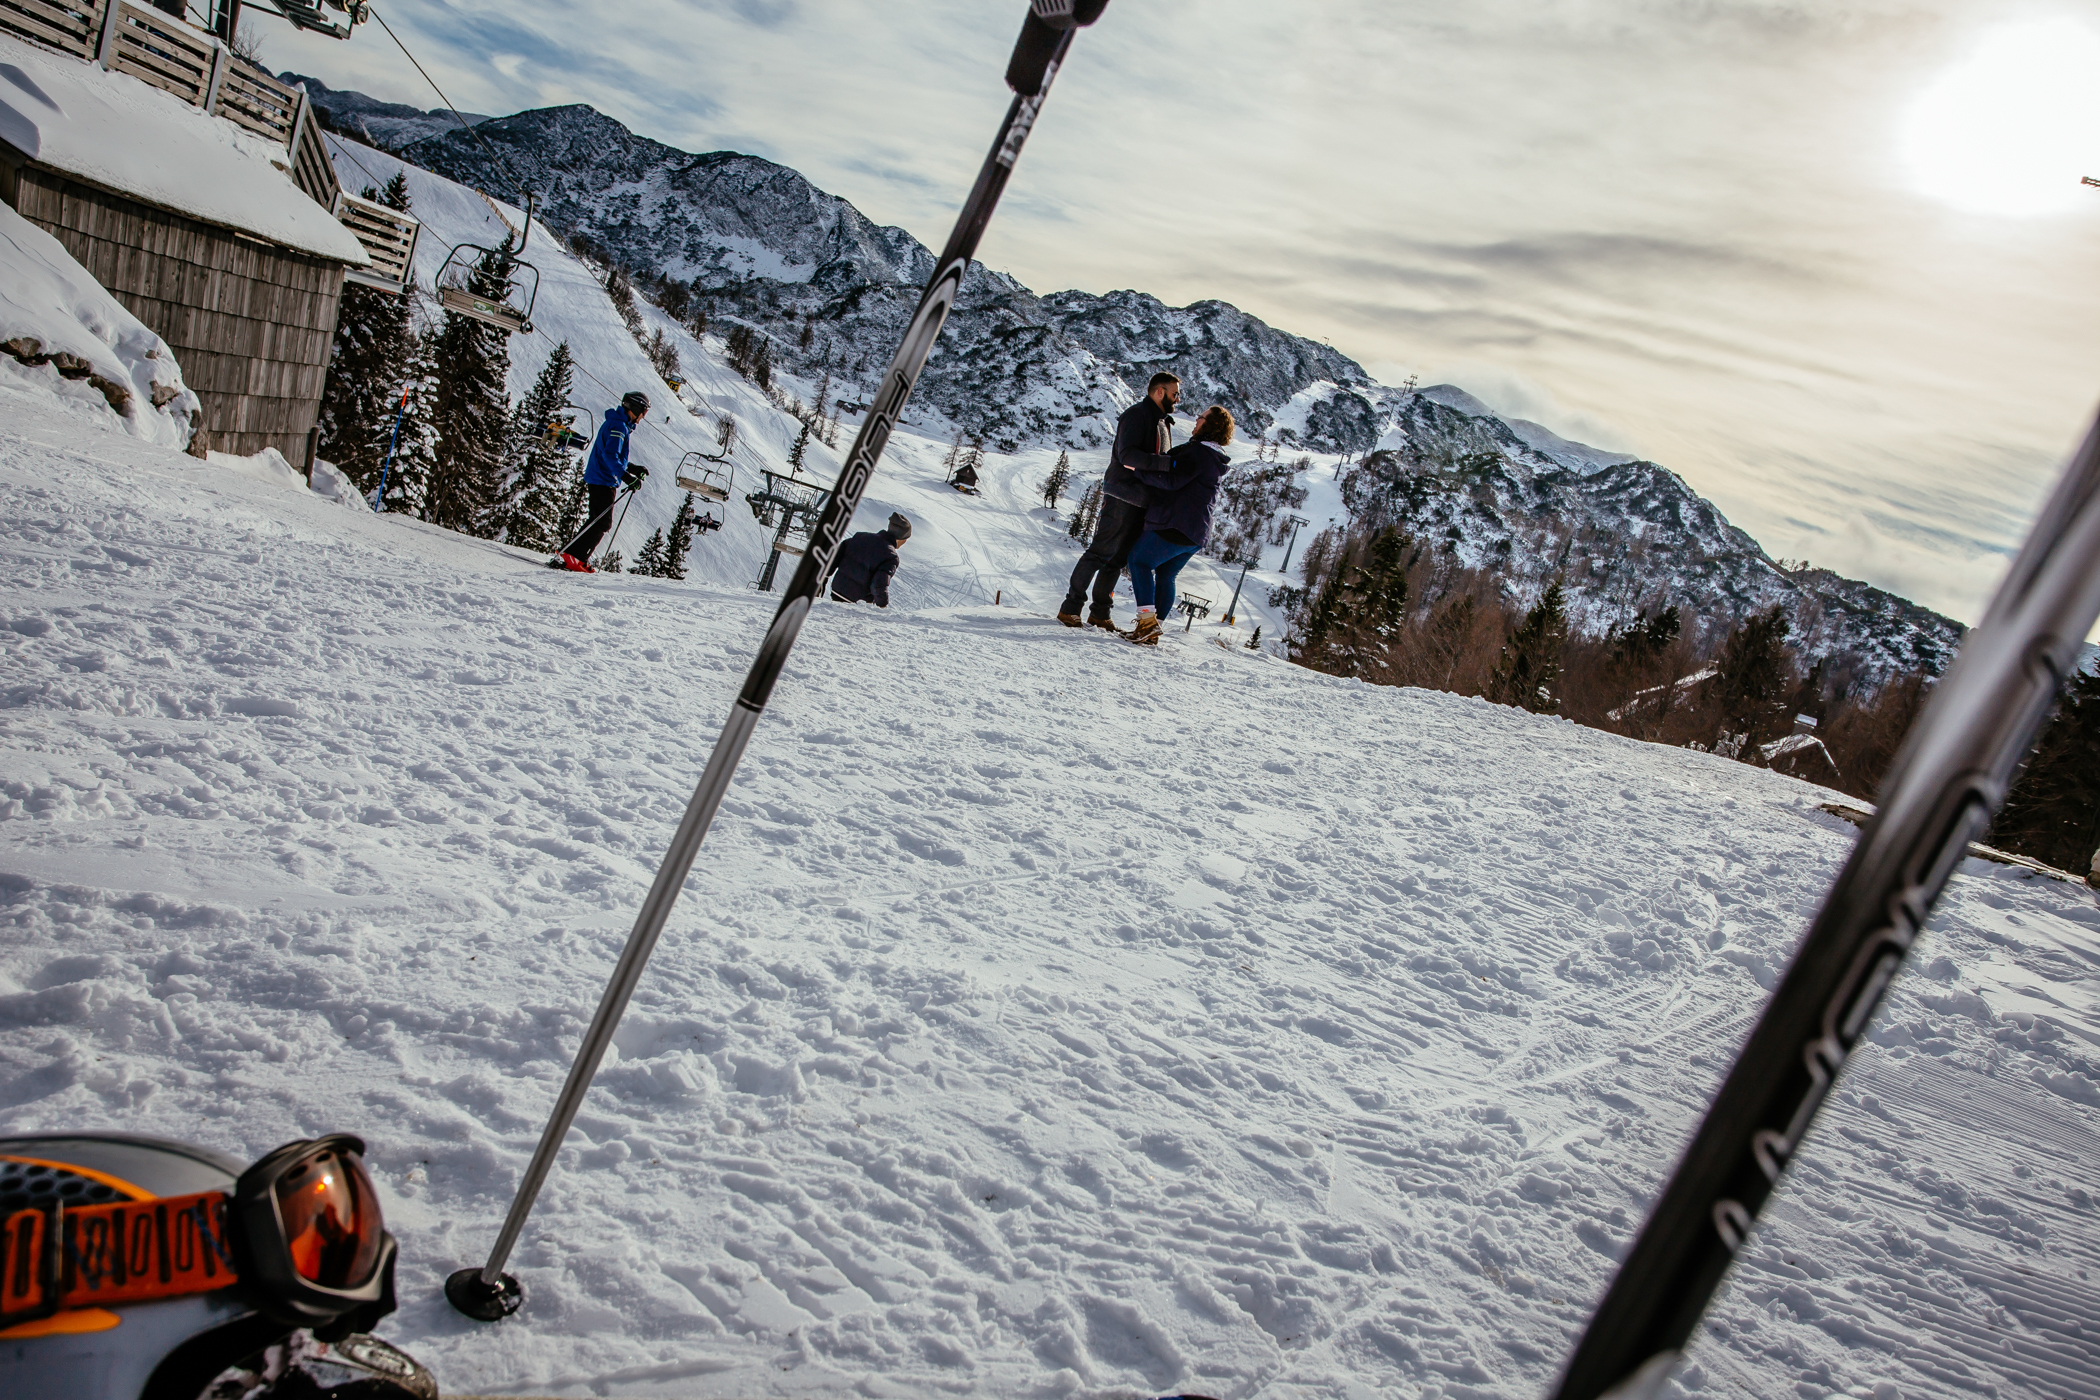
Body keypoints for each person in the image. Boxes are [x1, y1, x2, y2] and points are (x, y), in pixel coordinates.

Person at [1058, 372, 1180, 630]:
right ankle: (1070, 608)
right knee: (1100, 552)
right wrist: (1166, 464)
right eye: (1174, 393)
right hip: (1122, 495)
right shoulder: (1137, 415)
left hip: (1142, 501)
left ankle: (1100, 613)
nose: (1177, 398)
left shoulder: (1162, 422)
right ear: (1159, 391)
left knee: (1117, 560)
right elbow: (1127, 455)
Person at [1125, 405, 1234, 646]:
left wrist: (1138, 471)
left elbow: (1172, 480)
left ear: (1211, 425)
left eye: (1201, 417)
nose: (1196, 421)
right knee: (1166, 574)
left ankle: (1147, 624)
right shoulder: (1214, 458)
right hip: (1196, 533)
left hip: (1176, 523)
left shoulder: (1199, 453)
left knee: (1139, 561)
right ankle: (1153, 628)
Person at [556, 391, 650, 571]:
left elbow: (613, 455)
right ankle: (575, 557)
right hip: (603, 478)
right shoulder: (619, 427)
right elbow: (609, 456)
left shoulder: (618, 424)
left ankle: (572, 555)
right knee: (602, 522)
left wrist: (632, 468)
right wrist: (626, 477)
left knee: (597, 519)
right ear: (636, 408)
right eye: (643, 412)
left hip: (601, 476)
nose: (642, 417)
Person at [828, 511, 911, 607]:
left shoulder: (860, 537)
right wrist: (882, 605)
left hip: (836, 591)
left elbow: (836, 557)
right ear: (901, 538)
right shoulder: (891, 556)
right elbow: (879, 584)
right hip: (858, 602)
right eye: (905, 540)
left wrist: (825, 576)